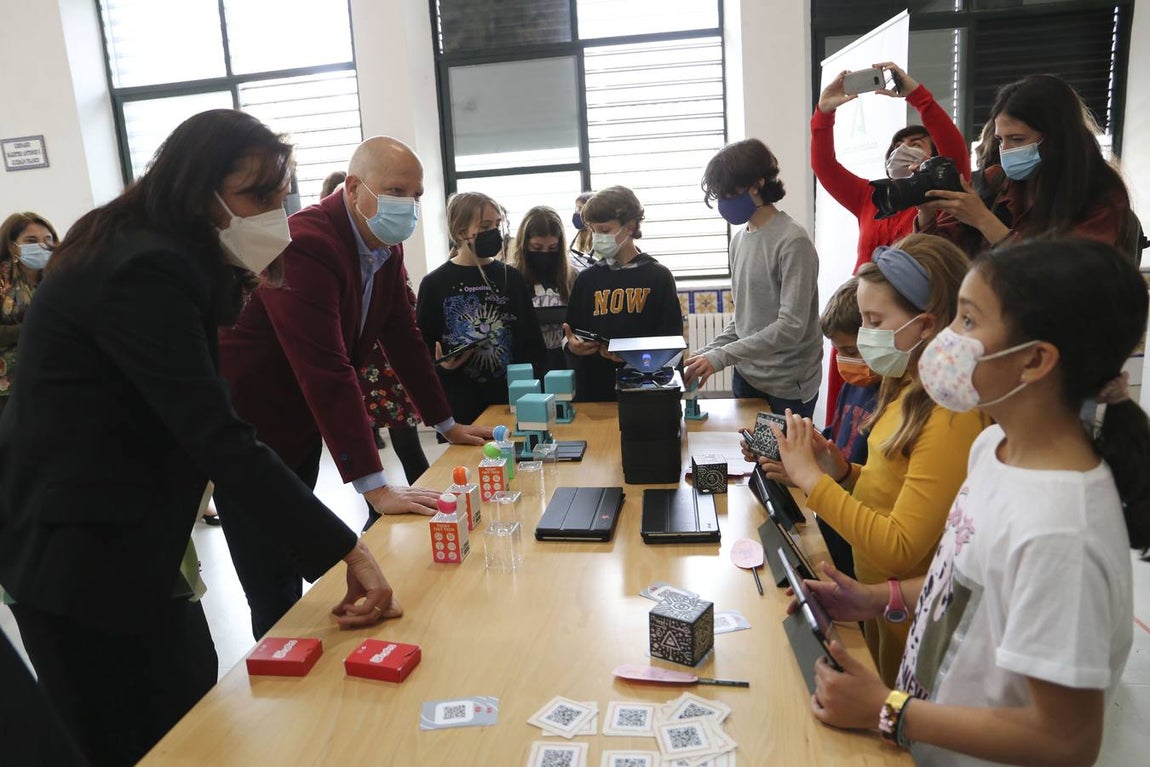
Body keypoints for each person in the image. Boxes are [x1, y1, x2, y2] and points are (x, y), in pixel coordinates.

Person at [0, 109, 401, 767]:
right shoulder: (144, 267)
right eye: (256, 197)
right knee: (149, 733)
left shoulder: (148, 248)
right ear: (196, 190)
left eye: (279, 196)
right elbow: (216, 432)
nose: (273, 214)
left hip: (117, 535)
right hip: (76, 551)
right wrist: (345, 549)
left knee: (190, 700)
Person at [804, 238, 1149, 767]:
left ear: (1034, 360)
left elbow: (1066, 741)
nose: (945, 336)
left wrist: (888, 709)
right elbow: (966, 578)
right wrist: (874, 599)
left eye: (966, 320)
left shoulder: (1061, 532)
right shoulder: (994, 447)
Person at [217, 135, 492, 639]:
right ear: (353, 188)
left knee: (291, 545)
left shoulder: (384, 244)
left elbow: (402, 334)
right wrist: (375, 486)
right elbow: (326, 367)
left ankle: (301, 644)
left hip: (299, 421)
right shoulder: (306, 243)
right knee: (269, 573)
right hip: (250, 425)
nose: (407, 205)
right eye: (395, 190)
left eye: (416, 194)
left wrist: (446, 423)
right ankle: (278, 660)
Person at [772, 234, 989, 686]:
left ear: (925, 325)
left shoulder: (950, 415)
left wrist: (812, 480)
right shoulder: (906, 388)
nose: (865, 335)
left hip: (915, 618)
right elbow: (892, 486)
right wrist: (843, 472)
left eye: (874, 321)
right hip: (880, 599)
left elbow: (900, 544)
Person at [812, 62, 972, 428]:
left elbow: (954, 149)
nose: (904, 150)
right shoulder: (871, 197)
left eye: (915, 144)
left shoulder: (941, 198)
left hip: (902, 329)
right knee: (849, 418)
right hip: (858, 321)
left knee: (895, 418)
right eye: (898, 146)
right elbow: (824, 167)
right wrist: (824, 113)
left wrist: (917, 96)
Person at [919, 74, 1135, 257]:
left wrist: (984, 220)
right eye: (1000, 140)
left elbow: (1064, 275)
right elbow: (940, 262)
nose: (1005, 150)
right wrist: (927, 214)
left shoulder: (1101, 196)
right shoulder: (994, 181)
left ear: (1057, 138)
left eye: (1017, 139)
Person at [687, 138, 822, 418]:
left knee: (782, 450)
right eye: (719, 194)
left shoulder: (792, 241)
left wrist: (720, 357)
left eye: (728, 192)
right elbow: (744, 320)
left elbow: (790, 327)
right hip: (747, 376)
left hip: (787, 386)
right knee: (748, 447)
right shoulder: (739, 241)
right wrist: (707, 353)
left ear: (757, 184)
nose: (724, 201)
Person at [415, 192, 547, 425]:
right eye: (485, 226)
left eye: (497, 224)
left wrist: (536, 392)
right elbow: (423, 348)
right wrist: (442, 366)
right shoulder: (434, 283)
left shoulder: (511, 278)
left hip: (513, 398)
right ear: (460, 231)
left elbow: (532, 342)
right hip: (460, 400)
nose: (494, 232)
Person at [561, 185, 684, 402]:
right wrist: (573, 346)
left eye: (605, 230)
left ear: (630, 227)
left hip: (645, 391)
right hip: (595, 390)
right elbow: (570, 334)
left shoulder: (658, 276)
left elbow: (671, 343)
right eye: (593, 230)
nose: (598, 237)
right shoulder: (586, 279)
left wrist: (632, 355)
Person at [813, 277, 881, 579]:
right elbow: (836, 434)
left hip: (858, 525)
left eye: (852, 351)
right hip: (833, 520)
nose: (844, 361)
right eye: (838, 351)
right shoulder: (854, 384)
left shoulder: (889, 399)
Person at [508, 205, 580, 373]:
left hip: (566, 363)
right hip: (525, 365)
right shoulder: (511, 277)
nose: (545, 254)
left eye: (553, 248)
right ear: (524, 244)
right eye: (537, 248)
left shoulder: (572, 276)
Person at [0, 211, 58, 420]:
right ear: (12, 246)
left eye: (48, 239)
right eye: (31, 241)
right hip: (8, 387)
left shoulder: (60, 276)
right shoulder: (3, 280)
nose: (42, 246)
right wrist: (31, 328)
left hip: (54, 379)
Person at [569, 191, 595, 267]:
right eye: (576, 208)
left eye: (580, 208)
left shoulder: (599, 239)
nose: (576, 212)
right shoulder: (581, 234)